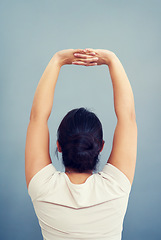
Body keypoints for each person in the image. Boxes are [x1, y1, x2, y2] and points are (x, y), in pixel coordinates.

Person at [25, 48, 137, 240]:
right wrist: (112, 59)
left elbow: (37, 118)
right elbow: (127, 117)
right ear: (100, 146)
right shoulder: (116, 187)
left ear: (59, 146)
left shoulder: (42, 187)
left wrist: (57, 59)